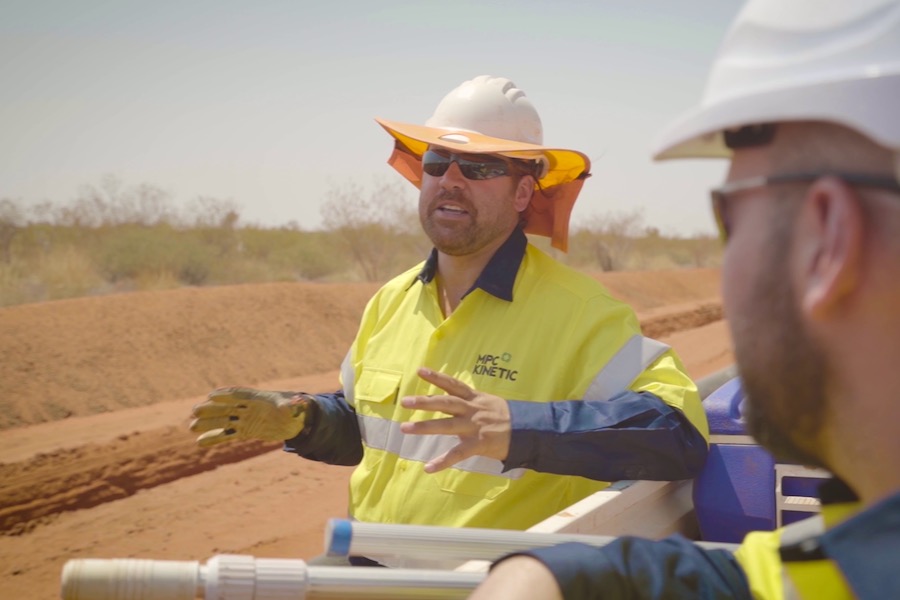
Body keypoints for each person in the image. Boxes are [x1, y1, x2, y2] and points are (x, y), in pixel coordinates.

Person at [468, 1, 900, 598]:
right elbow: (776, 580)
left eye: (729, 216)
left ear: (826, 240)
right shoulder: (865, 545)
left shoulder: (583, 310)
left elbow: (672, 429)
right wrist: (549, 574)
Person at [189, 75, 709, 561]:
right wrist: (306, 419)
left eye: (480, 167)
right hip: (369, 571)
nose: (451, 180)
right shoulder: (391, 300)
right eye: (438, 161)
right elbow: (379, 430)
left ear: (524, 192)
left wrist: (521, 427)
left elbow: (678, 433)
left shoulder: (584, 315)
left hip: (484, 584)